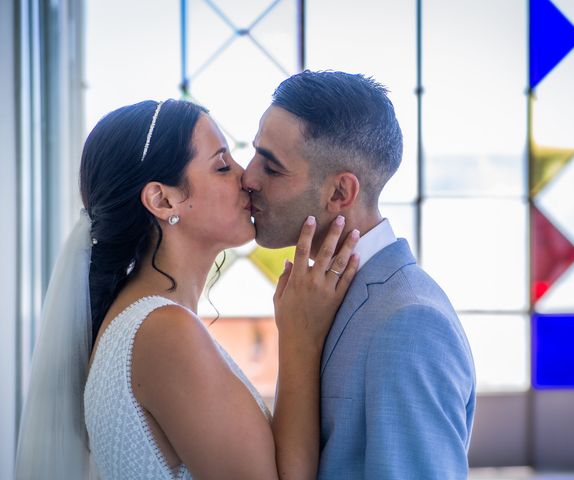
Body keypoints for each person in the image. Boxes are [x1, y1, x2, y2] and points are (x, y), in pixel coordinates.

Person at [14, 99, 360, 480]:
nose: (246, 177)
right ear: (163, 200)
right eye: (222, 165)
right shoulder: (163, 333)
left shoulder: (146, 322)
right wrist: (300, 339)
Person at [243, 70, 477, 479]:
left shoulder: (409, 321)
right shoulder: (317, 297)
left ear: (339, 193)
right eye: (254, 153)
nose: (248, 177)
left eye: (272, 168)